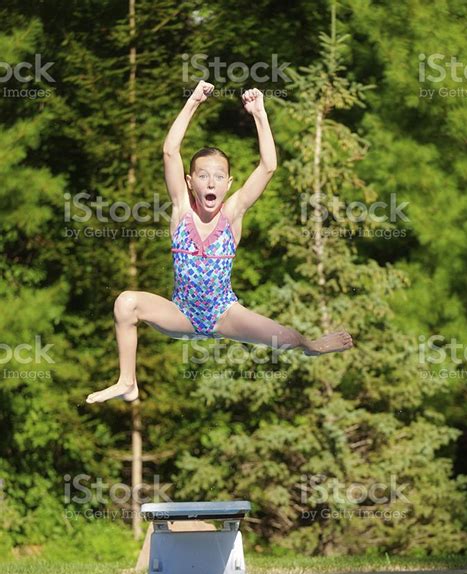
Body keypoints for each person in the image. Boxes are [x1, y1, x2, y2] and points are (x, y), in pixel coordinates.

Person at [86, 81, 353, 404]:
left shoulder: (233, 213)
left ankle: (312, 346)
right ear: (190, 181)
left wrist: (259, 114)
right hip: (181, 314)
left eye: (218, 177)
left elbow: (268, 166)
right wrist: (193, 101)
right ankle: (127, 381)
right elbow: (170, 151)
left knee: (288, 337)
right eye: (202, 176)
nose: (210, 182)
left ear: (228, 183)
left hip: (225, 314)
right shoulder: (182, 210)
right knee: (125, 303)